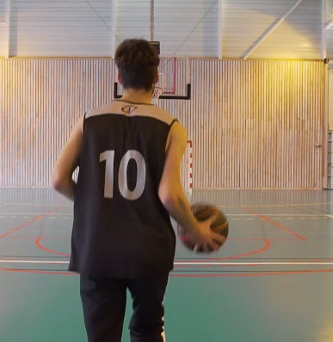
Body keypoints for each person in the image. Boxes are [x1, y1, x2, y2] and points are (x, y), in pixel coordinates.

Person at [51, 38, 225, 342]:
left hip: (97, 247)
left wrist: (93, 204)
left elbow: (58, 179)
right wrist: (195, 229)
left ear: (119, 77)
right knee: (147, 330)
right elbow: (169, 194)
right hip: (148, 250)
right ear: (156, 78)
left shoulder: (88, 121)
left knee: (100, 335)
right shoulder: (171, 126)